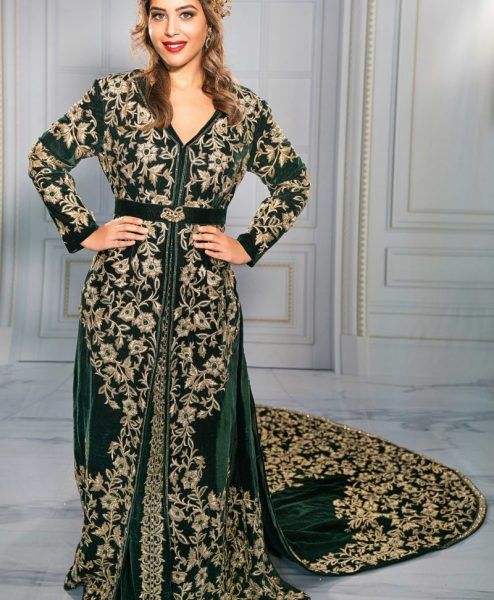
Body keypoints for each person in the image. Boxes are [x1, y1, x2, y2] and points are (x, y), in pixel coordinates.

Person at [27, 1, 487, 599]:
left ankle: (195, 571)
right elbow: (46, 158)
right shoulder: (113, 97)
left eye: (186, 13)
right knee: (116, 429)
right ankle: (117, 563)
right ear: (145, 22)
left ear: (209, 22)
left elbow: (293, 182)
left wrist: (247, 244)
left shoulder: (241, 110)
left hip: (205, 301)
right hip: (121, 299)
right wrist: (86, 230)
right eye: (159, 14)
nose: (172, 30)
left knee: (198, 433)